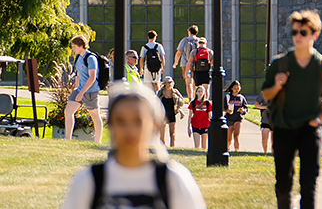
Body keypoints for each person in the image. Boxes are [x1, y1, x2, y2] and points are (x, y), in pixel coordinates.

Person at [61, 83, 206, 209]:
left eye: (138, 121)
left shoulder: (173, 180)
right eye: (121, 120)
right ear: (111, 125)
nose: (129, 130)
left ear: (154, 125)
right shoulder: (88, 181)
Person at [261, 9, 322, 209]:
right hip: (283, 128)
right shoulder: (280, 63)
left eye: (302, 33)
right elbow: (266, 95)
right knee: (283, 184)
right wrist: (277, 86)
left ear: (315, 35)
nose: (297, 37)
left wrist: (316, 121)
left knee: (308, 184)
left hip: (309, 130)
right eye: (294, 32)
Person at [66, 35, 104, 144]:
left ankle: (98, 142)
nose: (73, 49)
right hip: (80, 90)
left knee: (95, 116)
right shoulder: (78, 57)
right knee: (68, 111)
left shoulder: (91, 58)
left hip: (91, 91)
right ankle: (67, 140)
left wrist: (82, 92)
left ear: (81, 46)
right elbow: (78, 74)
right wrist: (77, 89)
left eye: (74, 46)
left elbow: (92, 77)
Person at [173, 25, 199, 101]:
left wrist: (175, 62)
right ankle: (195, 98)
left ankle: (190, 99)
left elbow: (178, 53)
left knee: (189, 82)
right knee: (195, 82)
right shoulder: (199, 41)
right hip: (197, 65)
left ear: (189, 32)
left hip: (186, 65)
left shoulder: (184, 41)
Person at [157, 76, 185, 148]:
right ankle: (162, 148)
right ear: (165, 83)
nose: (169, 84)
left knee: (172, 134)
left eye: (171, 82)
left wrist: (177, 98)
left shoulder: (175, 91)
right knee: (162, 133)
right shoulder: (161, 92)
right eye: (168, 83)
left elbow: (182, 102)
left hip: (172, 113)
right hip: (163, 114)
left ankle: (172, 147)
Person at [224, 80, 248, 152]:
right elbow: (222, 107)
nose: (236, 90)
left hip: (238, 118)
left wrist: (242, 110)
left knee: (236, 136)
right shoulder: (228, 97)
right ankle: (227, 149)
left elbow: (246, 108)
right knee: (229, 138)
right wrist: (227, 110)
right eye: (235, 88)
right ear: (232, 88)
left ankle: (237, 151)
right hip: (229, 118)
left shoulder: (241, 98)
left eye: (238, 88)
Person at [187, 85, 211, 150]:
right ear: (196, 93)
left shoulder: (207, 103)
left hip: (205, 125)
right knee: (197, 146)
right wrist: (188, 127)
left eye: (202, 91)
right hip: (196, 125)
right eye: (199, 91)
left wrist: (211, 126)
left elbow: (210, 115)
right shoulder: (193, 103)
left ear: (204, 93)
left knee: (204, 147)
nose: (200, 93)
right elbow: (190, 116)